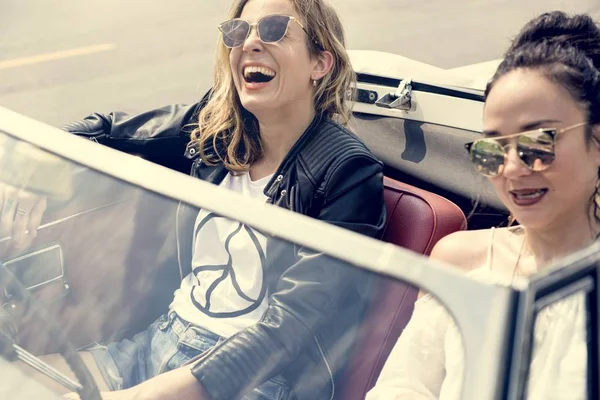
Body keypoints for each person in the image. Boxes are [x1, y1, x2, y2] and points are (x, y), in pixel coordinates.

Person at [2, 0, 386, 399]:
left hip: (260, 380)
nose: (250, 43)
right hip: (161, 340)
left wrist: (145, 395)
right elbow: (103, 131)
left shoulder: (348, 172)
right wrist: (32, 172)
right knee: (15, 385)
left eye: (273, 29)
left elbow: (290, 328)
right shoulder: (214, 130)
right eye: (238, 32)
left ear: (320, 63)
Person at [366, 11, 600, 400]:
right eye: (491, 150)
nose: (511, 168)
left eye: (536, 143)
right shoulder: (459, 260)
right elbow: (405, 387)